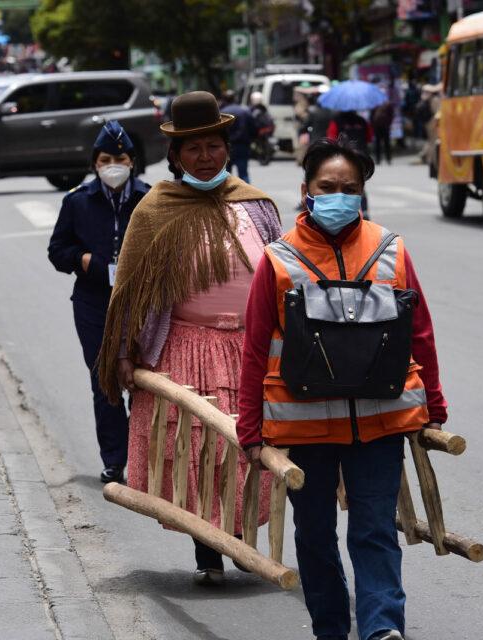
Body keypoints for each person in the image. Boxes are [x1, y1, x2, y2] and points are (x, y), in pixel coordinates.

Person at [237, 137, 448, 640]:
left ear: (362, 192)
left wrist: (434, 403)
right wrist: (251, 427)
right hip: (305, 428)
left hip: (379, 424)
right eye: (327, 187)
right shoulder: (277, 260)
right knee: (314, 537)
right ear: (306, 190)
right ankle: (330, 628)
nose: (338, 196)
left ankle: (381, 629)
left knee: (375, 531)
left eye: (348, 189)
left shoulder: (390, 249)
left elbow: (420, 332)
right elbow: (254, 347)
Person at [98, 91, 281, 586]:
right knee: (198, 451)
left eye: (213, 146)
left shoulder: (256, 205)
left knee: (248, 449)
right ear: (175, 157)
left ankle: (239, 537)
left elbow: (285, 277)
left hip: (249, 349)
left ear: (227, 146)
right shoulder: (156, 210)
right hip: (185, 347)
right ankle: (209, 549)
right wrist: (123, 351)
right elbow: (129, 291)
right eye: (193, 149)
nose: (205, 157)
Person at [48, 120, 150, 483]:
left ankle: (143, 457)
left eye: (120, 158)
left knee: (143, 379)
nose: (113, 165)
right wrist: (83, 260)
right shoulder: (77, 201)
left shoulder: (149, 199)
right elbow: (57, 251)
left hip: (142, 305)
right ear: (95, 163)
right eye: (106, 159)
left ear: (132, 161)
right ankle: (115, 458)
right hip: (93, 304)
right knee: (104, 381)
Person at [218, 89, 257, 183]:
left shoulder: (221, 113)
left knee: (225, 176)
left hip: (226, 147)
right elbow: (253, 128)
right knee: (243, 174)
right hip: (242, 146)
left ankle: (226, 196)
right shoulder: (244, 111)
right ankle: (248, 195)